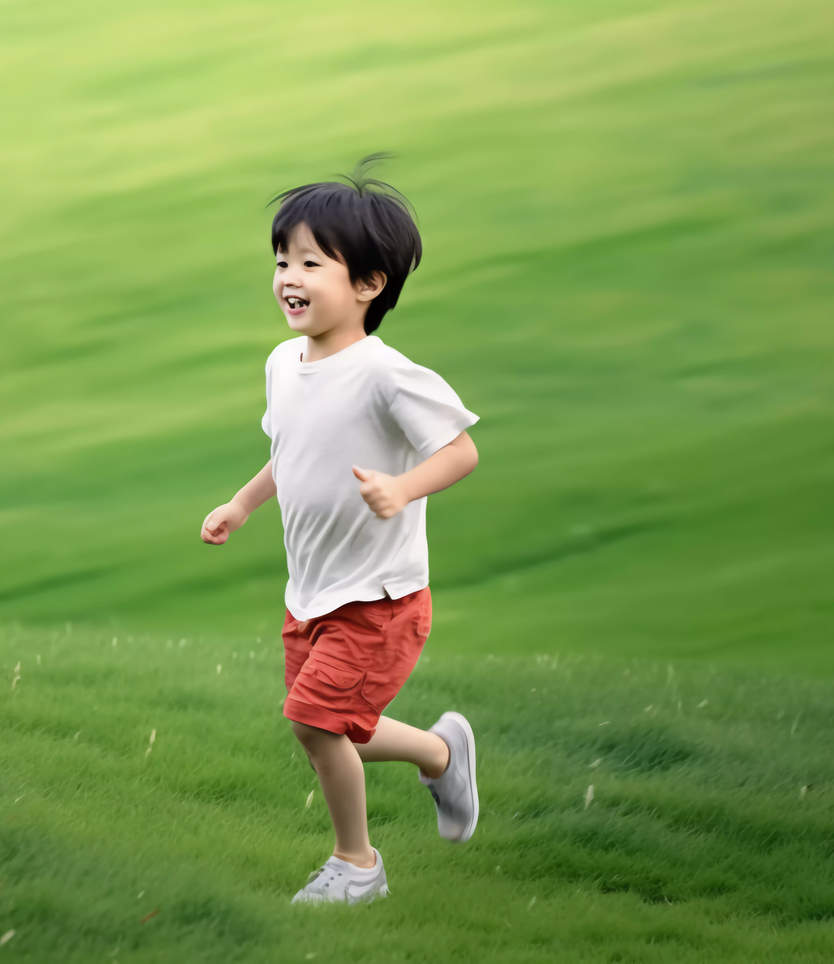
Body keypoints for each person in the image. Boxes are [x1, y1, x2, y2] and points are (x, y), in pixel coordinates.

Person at [200, 155, 480, 905]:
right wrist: (242, 503)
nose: (289, 274)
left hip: (381, 598)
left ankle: (357, 866)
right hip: (312, 591)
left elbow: (461, 451)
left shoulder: (388, 374)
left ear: (367, 284)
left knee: (316, 725)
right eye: (282, 258)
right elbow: (289, 454)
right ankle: (440, 753)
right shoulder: (283, 363)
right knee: (343, 726)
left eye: (311, 261)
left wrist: (402, 486)